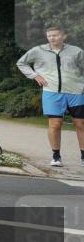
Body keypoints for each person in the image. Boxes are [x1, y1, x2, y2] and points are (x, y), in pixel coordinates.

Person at [17, 26, 84, 168]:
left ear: (64, 36)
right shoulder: (38, 51)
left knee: (81, 124)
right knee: (55, 124)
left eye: (55, 35)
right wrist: (35, 75)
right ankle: (56, 156)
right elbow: (21, 63)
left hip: (76, 92)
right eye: (49, 36)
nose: (52, 38)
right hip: (51, 92)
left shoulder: (76, 51)